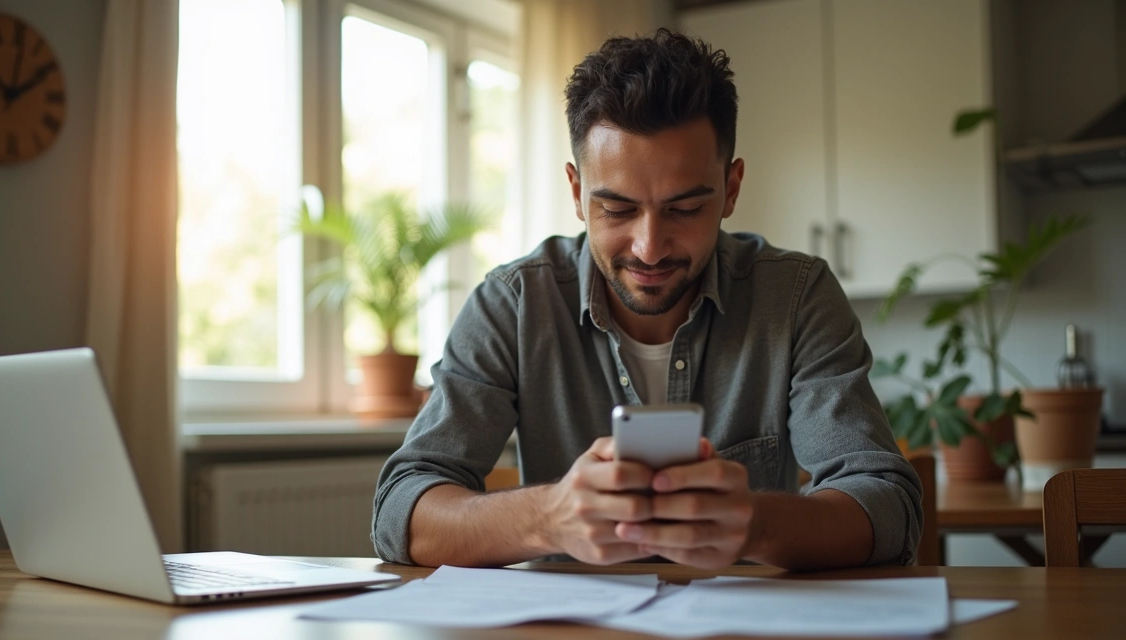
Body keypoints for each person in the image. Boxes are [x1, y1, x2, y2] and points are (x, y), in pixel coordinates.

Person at [372, 29, 922, 571]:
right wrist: (548, 518)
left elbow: (887, 503)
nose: (650, 248)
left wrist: (752, 523)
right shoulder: (514, 305)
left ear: (731, 189)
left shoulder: (795, 297)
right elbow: (402, 511)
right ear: (576, 192)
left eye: (684, 209)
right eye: (615, 210)